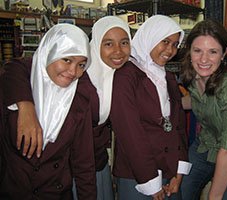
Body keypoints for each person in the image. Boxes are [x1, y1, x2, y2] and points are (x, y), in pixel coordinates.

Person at [0, 24, 96, 199]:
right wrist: (26, 106)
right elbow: (12, 67)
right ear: (49, 53)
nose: (74, 72)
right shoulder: (18, 89)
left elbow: (84, 163)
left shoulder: (79, 102)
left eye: (81, 64)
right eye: (66, 60)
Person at [109, 15, 192, 200]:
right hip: (137, 175)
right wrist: (151, 182)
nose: (170, 50)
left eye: (175, 44)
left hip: (169, 170)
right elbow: (130, 134)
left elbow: (178, 127)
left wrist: (179, 171)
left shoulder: (169, 78)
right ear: (151, 37)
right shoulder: (126, 76)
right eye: (165, 41)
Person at [180, 19, 227, 200]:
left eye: (213, 52)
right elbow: (199, 101)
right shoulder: (194, 76)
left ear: (223, 54)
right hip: (206, 144)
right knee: (179, 191)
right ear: (189, 52)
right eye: (197, 51)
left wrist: (215, 196)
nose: (204, 59)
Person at [72, 16, 131, 200]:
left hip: (99, 162)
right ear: (96, 44)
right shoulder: (78, 77)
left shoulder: (118, 75)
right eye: (108, 44)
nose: (118, 51)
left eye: (124, 42)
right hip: (76, 169)